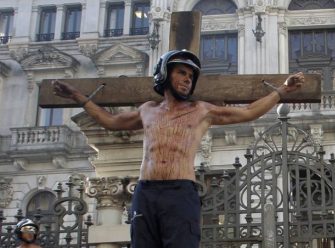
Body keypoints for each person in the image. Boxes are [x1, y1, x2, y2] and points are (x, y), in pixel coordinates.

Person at [52, 49, 304, 248]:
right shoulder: (148, 110)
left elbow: (248, 112)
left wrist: (281, 91)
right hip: (146, 192)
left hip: (180, 192)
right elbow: (111, 121)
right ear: (165, 73)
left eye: (190, 76)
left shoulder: (201, 111)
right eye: (181, 73)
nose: (187, 79)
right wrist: (79, 98)